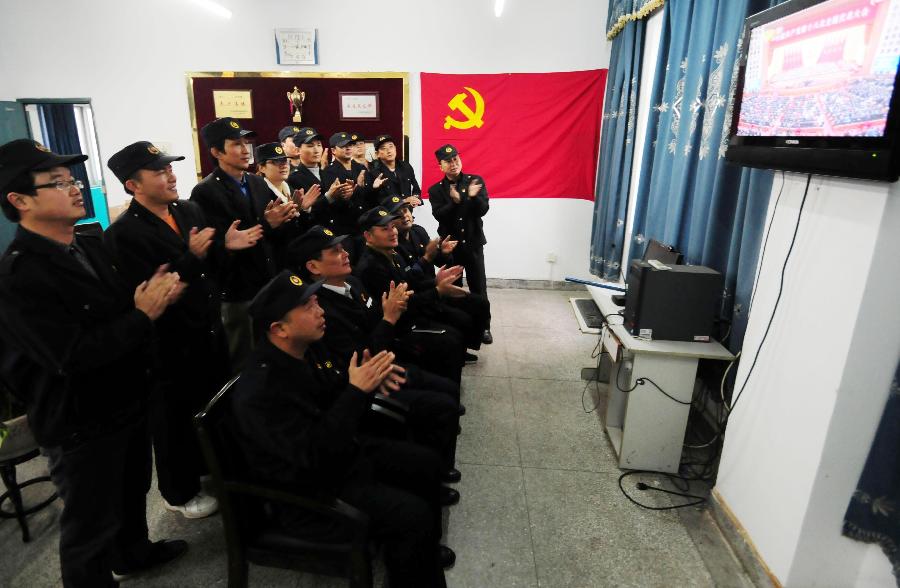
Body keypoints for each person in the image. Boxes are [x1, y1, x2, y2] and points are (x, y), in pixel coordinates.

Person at [0, 139, 187, 587]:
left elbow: (115, 310)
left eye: (71, 179)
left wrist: (144, 302)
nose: (75, 187)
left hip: (125, 399)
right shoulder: (20, 273)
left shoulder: (87, 242)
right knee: (89, 527)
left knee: (130, 492)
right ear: (20, 200)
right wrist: (143, 314)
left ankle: (134, 552)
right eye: (58, 182)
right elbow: (69, 356)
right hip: (80, 420)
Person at [231, 271, 454, 587]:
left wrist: (368, 382)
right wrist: (357, 392)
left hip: (339, 457)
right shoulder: (262, 391)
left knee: (426, 464)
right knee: (412, 516)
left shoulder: (307, 349)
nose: (320, 311)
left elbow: (338, 405)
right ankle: (414, 555)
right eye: (307, 307)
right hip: (308, 495)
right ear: (279, 329)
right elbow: (315, 454)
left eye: (316, 301)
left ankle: (418, 555)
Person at [104, 141, 228, 520]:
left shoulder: (188, 208)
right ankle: (178, 491)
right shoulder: (123, 234)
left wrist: (221, 248)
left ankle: (209, 468)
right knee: (172, 417)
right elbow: (156, 291)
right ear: (133, 185)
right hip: (167, 341)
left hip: (205, 325)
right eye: (159, 171)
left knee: (211, 403)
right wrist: (190, 259)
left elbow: (207, 261)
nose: (171, 176)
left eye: (170, 168)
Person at [286, 225, 463, 488]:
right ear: (313, 267)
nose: (345, 253)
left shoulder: (354, 284)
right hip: (366, 379)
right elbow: (362, 354)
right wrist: (389, 318)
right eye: (334, 251)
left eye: (342, 247)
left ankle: (438, 466)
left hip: (386, 359)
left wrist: (392, 316)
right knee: (440, 405)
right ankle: (434, 476)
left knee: (447, 389)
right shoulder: (320, 308)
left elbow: (375, 327)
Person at [190, 117, 295, 370]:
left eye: (247, 143)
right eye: (236, 144)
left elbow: (267, 235)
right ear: (216, 152)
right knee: (244, 358)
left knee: (272, 353)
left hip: (266, 280)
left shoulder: (256, 182)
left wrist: (283, 221)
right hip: (237, 288)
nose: (245, 149)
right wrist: (264, 224)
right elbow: (216, 247)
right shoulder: (205, 192)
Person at [353, 206, 468, 382]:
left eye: (393, 226)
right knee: (452, 341)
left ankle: (449, 388)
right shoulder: (371, 267)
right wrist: (437, 291)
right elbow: (404, 303)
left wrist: (435, 282)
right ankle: (446, 395)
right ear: (368, 236)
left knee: (457, 333)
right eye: (385, 229)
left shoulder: (391, 254)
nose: (393, 232)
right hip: (399, 329)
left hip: (411, 317)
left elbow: (409, 283)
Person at [427, 144, 493, 344]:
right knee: (452, 288)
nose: (453, 164)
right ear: (441, 166)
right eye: (448, 161)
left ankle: (484, 328)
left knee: (478, 287)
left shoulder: (475, 181)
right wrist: (454, 203)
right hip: (451, 247)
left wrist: (471, 198)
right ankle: (455, 326)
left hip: (473, 244)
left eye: (455, 159)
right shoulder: (436, 190)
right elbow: (439, 215)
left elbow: (483, 210)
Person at [255, 141, 319, 264]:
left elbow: (303, 227)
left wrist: (305, 210)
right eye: (275, 162)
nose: (283, 165)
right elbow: (272, 236)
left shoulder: (289, 188)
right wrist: (295, 213)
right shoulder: (260, 194)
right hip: (277, 258)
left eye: (285, 161)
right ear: (262, 167)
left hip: (297, 253)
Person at [286, 127, 354, 223]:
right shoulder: (293, 178)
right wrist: (328, 197)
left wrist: (346, 197)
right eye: (310, 146)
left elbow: (342, 210)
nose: (316, 150)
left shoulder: (329, 173)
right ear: (298, 150)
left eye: (319, 145)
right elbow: (301, 215)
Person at [319, 132, 369, 260]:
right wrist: (349, 196)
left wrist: (365, 188)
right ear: (333, 150)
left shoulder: (361, 168)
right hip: (343, 229)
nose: (348, 148)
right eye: (343, 146)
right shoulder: (328, 172)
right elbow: (333, 203)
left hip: (362, 227)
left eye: (350, 145)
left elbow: (367, 197)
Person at [365, 134, 421, 210]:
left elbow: (416, 188)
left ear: (395, 148)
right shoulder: (374, 172)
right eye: (383, 148)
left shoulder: (405, 166)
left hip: (407, 212)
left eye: (391, 146)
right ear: (377, 154)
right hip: (388, 216)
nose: (388, 151)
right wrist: (404, 201)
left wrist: (415, 198)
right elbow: (379, 201)